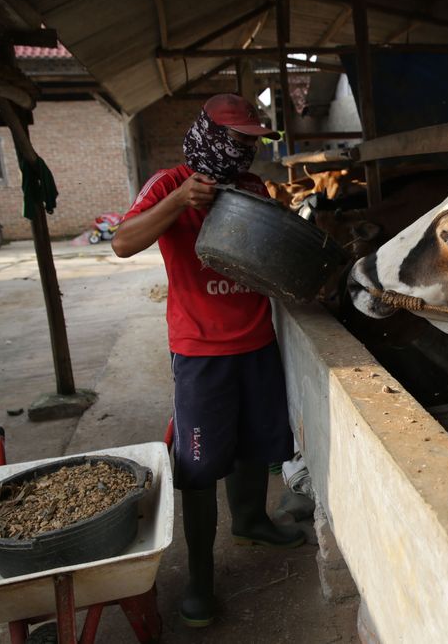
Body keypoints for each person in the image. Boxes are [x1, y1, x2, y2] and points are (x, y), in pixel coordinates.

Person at [112, 93, 304, 627]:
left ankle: (251, 519)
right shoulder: (168, 183)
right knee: (198, 463)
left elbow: (269, 255)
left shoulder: (251, 187)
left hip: (256, 341)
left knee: (254, 442)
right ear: (210, 136)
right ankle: (199, 576)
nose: (244, 149)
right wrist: (177, 204)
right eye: (237, 139)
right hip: (200, 351)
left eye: (250, 141)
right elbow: (122, 243)